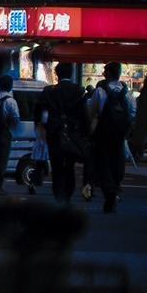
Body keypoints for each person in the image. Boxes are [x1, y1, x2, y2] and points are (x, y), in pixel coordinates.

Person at [37, 63, 91, 203]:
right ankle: (68, 194)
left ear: (57, 74)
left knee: (57, 167)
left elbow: (40, 111)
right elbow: (84, 114)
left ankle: (59, 196)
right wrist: (86, 133)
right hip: (72, 132)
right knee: (70, 166)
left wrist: (42, 126)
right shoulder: (79, 90)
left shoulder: (49, 91)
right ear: (71, 74)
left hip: (54, 132)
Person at [88, 61, 135, 214]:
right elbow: (133, 113)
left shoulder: (100, 91)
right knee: (117, 162)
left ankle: (109, 190)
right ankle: (114, 187)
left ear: (107, 73)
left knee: (103, 162)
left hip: (103, 132)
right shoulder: (127, 92)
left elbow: (92, 112)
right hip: (120, 134)